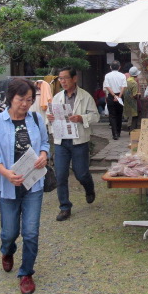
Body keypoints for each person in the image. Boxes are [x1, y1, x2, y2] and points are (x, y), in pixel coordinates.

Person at [0, 78, 49, 294]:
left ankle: (26, 273)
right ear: (10, 97)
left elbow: (46, 143)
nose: (25, 104)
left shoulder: (35, 119)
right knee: (9, 232)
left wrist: (43, 155)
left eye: (29, 99)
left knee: (31, 232)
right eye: (21, 99)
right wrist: (5, 173)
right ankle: (7, 250)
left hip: (34, 184)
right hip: (8, 185)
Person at [46, 67, 100, 222]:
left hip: (79, 141)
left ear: (74, 78)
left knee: (81, 173)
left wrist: (81, 118)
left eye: (65, 78)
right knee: (61, 174)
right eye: (60, 78)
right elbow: (48, 117)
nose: (62, 81)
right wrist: (49, 119)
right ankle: (64, 207)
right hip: (61, 141)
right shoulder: (57, 98)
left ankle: (89, 188)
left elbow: (95, 116)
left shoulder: (85, 96)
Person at [103, 60, 127, 140]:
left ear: (110, 67)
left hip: (111, 96)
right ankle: (118, 132)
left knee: (112, 115)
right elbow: (123, 87)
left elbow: (107, 86)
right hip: (120, 96)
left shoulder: (107, 75)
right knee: (119, 115)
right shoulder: (122, 75)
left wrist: (113, 95)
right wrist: (119, 96)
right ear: (119, 67)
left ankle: (115, 134)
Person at [123, 66, 141, 131]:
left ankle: (130, 128)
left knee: (129, 117)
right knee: (134, 117)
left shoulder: (126, 81)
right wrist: (138, 95)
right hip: (133, 103)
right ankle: (132, 130)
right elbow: (134, 95)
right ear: (136, 75)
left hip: (126, 102)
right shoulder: (134, 83)